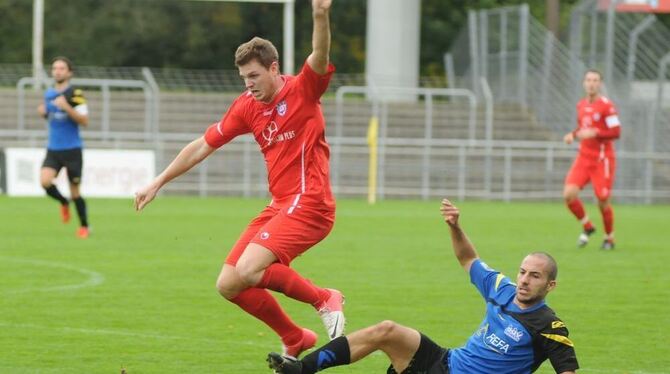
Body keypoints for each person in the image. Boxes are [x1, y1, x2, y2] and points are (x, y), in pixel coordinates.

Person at [134, 0, 344, 359]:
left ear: (274, 68)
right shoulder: (247, 106)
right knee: (230, 283)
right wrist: (159, 181)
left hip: (311, 203)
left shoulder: (304, 90)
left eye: (254, 76)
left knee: (250, 268)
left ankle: (325, 298)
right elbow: (203, 145)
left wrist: (320, 15)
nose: (249, 85)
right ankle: (295, 338)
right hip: (280, 205)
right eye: (244, 78)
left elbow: (319, 54)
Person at [268, 199, 579, 374]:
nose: (524, 280)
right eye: (523, 272)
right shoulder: (502, 288)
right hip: (445, 361)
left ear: (551, 285)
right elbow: (468, 258)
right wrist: (455, 226)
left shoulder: (550, 326)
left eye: (534, 276)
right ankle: (303, 370)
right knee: (387, 330)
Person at [563, 69, 621, 250]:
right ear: (584, 83)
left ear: (600, 84)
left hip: (602, 159)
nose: (591, 83)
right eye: (588, 80)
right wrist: (573, 134)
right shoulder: (581, 105)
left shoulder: (607, 106)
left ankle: (609, 238)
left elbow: (616, 132)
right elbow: (583, 127)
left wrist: (596, 132)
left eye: (595, 80)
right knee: (569, 195)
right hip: (584, 157)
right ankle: (588, 226)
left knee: (602, 199)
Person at [37, 56, 90, 239]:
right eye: (55, 68)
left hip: (72, 150)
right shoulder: (49, 93)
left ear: (69, 72)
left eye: (61, 68)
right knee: (44, 182)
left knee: (75, 191)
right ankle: (63, 201)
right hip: (53, 148)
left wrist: (66, 106)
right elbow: (52, 116)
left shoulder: (76, 94)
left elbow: (84, 121)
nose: (57, 71)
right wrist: (43, 113)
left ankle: (84, 226)